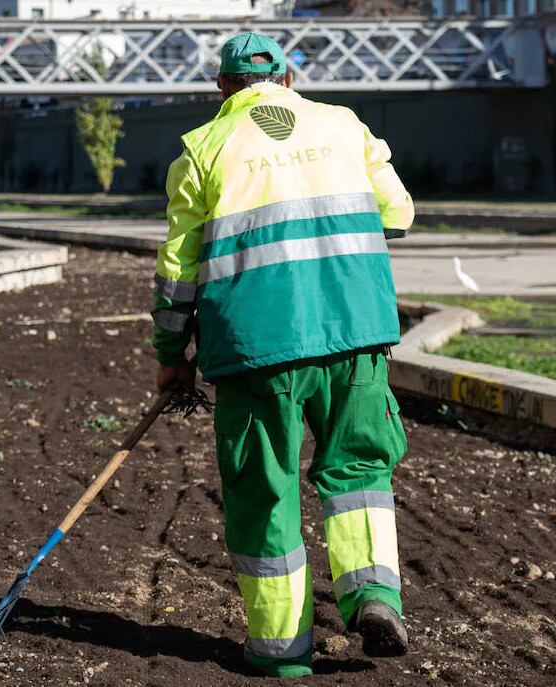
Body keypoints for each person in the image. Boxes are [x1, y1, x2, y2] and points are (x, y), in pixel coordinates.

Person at [151, 31, 414, 678]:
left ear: (222, 86)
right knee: (359, 472)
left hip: (256, 348)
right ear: (289, 79)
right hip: (356, 332)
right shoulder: (344, 125)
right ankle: (374, 596)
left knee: (264, 491)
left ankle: (280, 651)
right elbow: (398, 214)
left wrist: (172, 352)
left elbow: (178, 271)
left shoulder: (201, 149)